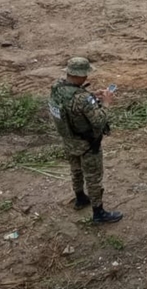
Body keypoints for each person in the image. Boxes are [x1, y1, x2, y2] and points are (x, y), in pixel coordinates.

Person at [48, 57, 123, 224]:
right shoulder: (82, 99)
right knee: (93, 178)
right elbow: (99, 121)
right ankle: (99, 213)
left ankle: (80, 198)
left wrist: (91, 95)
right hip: (87, 144)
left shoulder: (57, 88)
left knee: (75, 170)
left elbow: (71, 105)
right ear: (81, 75)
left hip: (69, 140)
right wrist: (106, 103)